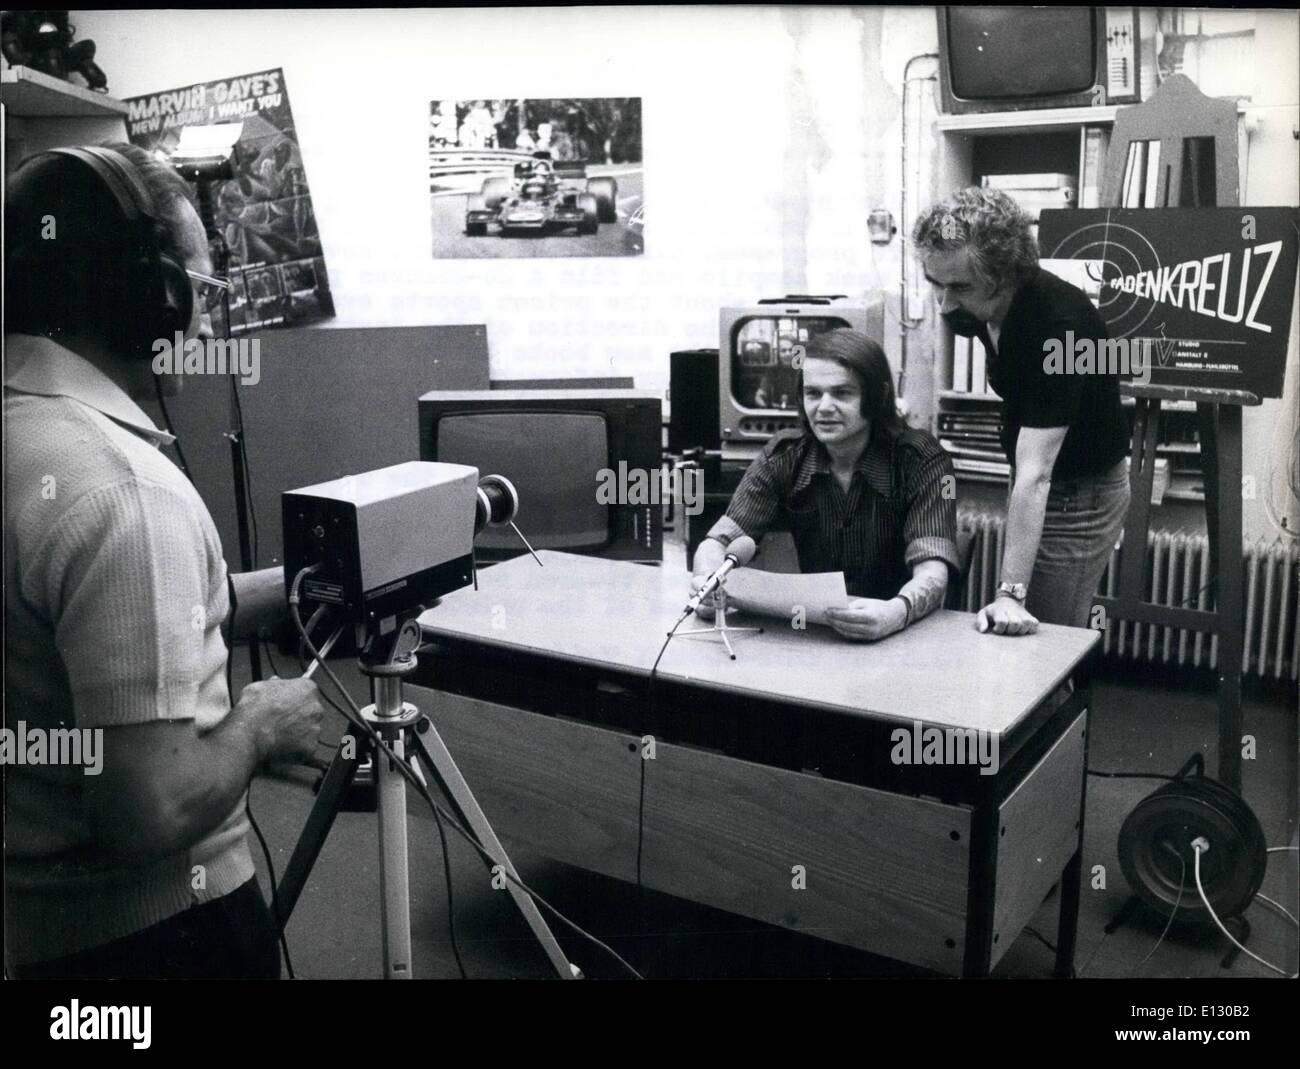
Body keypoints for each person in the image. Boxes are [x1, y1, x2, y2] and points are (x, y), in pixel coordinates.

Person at [4, 143, 326, 978]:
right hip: (160, 937)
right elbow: (148, 807)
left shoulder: (28, 438)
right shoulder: (122, 488)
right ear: (146, 295)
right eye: (202, 290)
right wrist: (259, 724)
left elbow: (91, 626)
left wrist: (287, 591)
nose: (207, 320)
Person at [912, 187, 1131, 636]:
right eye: (936, 284)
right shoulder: (979, 306)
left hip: (1078, 494)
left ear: (1007, 273)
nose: (946, 305)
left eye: (959, 287)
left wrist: (1010, 593)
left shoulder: (1061, 328)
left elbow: (1037, 473)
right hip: (1037, 478)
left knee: (1042, 642)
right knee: (1022, 639)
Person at [692, 329, 959, 641]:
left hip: (905, 633)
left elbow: (933, 571)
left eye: (842, 393)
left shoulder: (924, 460)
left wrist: (895, 613)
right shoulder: (784, 455)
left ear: (877, 396)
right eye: (813, 393)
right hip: (819, 632)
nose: (824, 407)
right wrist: (705, 583)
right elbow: (718, 543)